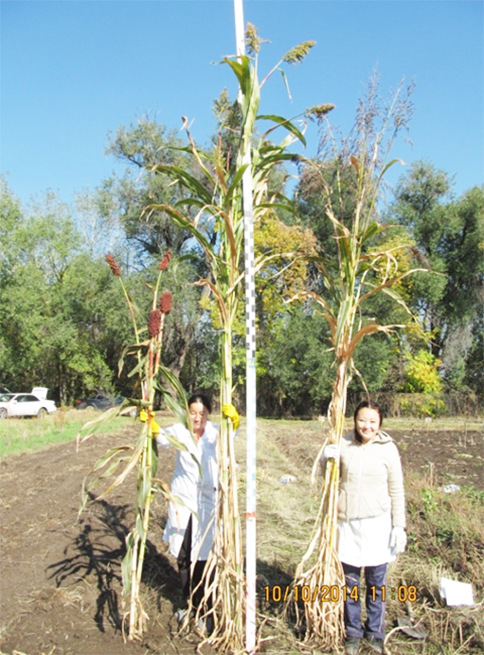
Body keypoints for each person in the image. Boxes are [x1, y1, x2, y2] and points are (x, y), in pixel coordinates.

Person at [140, 394, 239, 627]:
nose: (197, 417)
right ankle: (188, 603)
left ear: (209, 414)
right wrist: (149, 422)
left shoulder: (216, 432)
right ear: (187, 413)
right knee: (184, 556)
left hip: (207, 503)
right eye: (193, 412)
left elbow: (230, 440)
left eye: (202, 412)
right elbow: (160, 437)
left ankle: (207, 607)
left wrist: (234, 421)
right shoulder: (179, 431)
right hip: (182, 503)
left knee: (205, 557)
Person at [324, 400, 406, 655]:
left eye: (372, 421)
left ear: (379, 423)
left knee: (375, 583)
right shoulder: (343, 443)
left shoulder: (388, 449)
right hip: (347, 524)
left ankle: (374, 633)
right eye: (362, 420)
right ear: (354, 420)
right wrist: (327, 459)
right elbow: (327, 482)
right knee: (350, 583)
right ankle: (352, 633)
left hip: (377, 525)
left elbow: (396, 490)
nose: (366, 426)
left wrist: (399, 526)